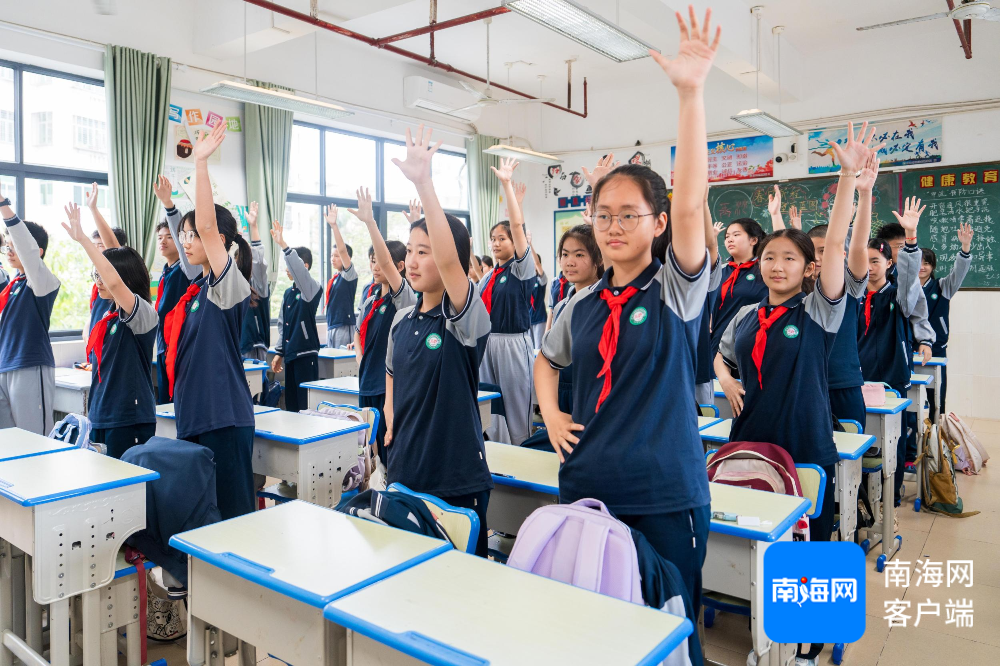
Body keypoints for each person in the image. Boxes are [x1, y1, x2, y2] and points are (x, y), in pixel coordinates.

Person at [537, 6, 719, 623]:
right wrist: (552, 413)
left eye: (628, 215)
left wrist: (690, 95)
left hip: (664, 494)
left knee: (665, 630)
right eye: (602, 214)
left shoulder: (674, 290)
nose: (612, 226)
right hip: (588, 487)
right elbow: (546, 359)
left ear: (658, 223)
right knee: (595, 631)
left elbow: (692, 205)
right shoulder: (580, 303)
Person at [717, 125, 880, 547]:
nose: (777, 265)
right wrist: (726, 379)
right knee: (752, 538)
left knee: (808, 544)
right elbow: (721, 355)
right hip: (750, 438)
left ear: (809, 268)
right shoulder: (748, 316)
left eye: (790, 258)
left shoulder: (818, 310)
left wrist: (848, 180)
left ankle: (807, 610)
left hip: (805, 442)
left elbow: (840, 242)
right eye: (769, 256)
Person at [385, 125, 493, 557]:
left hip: (455, 476)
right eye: (410, 250)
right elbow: (393, 371)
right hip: (405, 468)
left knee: (460, 596)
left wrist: (424, 183)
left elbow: (451, 263)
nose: (412, 260)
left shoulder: (464, 318)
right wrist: (389, 412)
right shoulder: (401, 320)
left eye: (423, 251)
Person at [163, 123, 256, 521]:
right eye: (182, 235)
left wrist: (200, 163)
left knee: (232, 520)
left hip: (224, 416)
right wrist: (171, 210)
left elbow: (205, 226)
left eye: (193, 236)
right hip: (192, 413)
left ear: (220, 241)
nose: (186, 241)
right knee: (200, 516)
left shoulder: (229, 286)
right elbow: (191, 238)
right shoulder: (196, 291)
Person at [769, 155, 875, 429]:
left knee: (851, 464)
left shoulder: (848, 286)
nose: (822, 259)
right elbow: (786, 252)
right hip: (801, 383)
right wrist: (775, 217)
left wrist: (864, 195)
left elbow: (859, 246)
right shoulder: (797, 287)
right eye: (817, 252)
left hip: (842, 382)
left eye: (829, 251)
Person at [62, 203, 157, 459]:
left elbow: (114, 278)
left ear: (126, 278)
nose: (99, 282)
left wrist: (83, 239)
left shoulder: (143, 312)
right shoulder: (108, 313)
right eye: (96, 276)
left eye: (102, 276)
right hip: (101, 413)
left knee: (129, 491)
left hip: (129, 417)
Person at [858, 197, 926, 507]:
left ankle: (891, 493)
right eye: (865, 260)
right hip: (856, 380)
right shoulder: (851, 298)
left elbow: (910, 279)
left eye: (876, 260)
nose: (870, 267)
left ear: (889, 263)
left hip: (891, 377)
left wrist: (910, 241)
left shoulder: (899, 297)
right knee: (860, 437)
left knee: (893, 439)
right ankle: (860, 493)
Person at [349, 186, 416, 467]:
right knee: (368, 448)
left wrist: (370, 223)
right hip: (367, 381)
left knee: (390, 446)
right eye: (373, 260)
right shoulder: (370, 296)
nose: (376, 265)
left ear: (399, 266)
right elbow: (359, 331)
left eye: (381, 261)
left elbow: (388, 263)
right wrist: (360, 358)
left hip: (388, 386)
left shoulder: (404, 297)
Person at [478, 164, 535, 446]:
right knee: (493, 407)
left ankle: (523, 453)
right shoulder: (488, 278)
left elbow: (516, 226)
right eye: (493, 239)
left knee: (515, 406)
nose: (496, 243)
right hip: (488, 343)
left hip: (513, 343)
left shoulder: (521, 270)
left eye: (502, 238)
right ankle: (498, 455)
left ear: (516, 242)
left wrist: (507, 186)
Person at [0, 196, 60, 434]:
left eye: (14, 245)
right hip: (5, 366)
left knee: (34, 440)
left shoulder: (42, 282)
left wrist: (4, 206)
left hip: (29, 365)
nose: (10, 249)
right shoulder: (12, 283)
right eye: (8, 245)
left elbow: (26, 248)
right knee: (7, 444)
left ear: (37, 251)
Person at [152, 175, 201, 404]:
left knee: (175, 402)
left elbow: (184, 241)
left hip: (178, 344)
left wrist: (169, 206)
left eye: (168, 237)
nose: (162, 242)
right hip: (163, 345)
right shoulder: (165, 271)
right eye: (159, 238)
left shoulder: (186, 268)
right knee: (164, 404)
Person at [921, 223, 973, 419]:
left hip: (936, 349)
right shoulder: (904, 289)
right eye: (917, 262)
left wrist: (965, 249)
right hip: (910, 349)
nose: (921, 267)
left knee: (936, 397)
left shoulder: (943, 286)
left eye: (926, 263)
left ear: (932, 266)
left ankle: (936, 432)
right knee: (909, 397)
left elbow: (959, 273)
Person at [270, 220, 322, 413]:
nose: (287, 269)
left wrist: (284, 246)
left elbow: (299, 271)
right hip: (291, 354)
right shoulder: (288, 293)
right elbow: (283, 325)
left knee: (304, 406)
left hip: (305, 355)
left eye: (290, 264)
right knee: (291, 404)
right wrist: (279, 353)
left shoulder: (312, 289)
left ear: (304, 266)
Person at [709, 216, 767, 372]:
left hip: (751, 345)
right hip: (717, 346)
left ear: (753, 240)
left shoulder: (765, 270)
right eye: (727, 236)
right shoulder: (720, 271)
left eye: (736, 235)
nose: (729, 240)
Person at [83, 183, 128, 340]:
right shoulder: (98, 280)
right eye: (93, 245)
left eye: (100, 246)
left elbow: (113, 248)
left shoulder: (121, 275)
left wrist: (94, 210)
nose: (96, 250)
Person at [240, 201, 271, 363]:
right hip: (235, 346)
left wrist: (254, 227)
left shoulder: (257, 285)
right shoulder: (232, 285)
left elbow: (259, 262)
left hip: (254, 346)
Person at [324, 205, 358, 349]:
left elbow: (343, 250)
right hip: (332, 325)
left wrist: (334, 226)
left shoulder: (349, 276)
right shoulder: (335, 278)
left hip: (344, 326)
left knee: (342, 367)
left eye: (336, 256)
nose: (333, 259)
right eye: (331, 256)